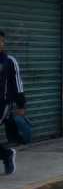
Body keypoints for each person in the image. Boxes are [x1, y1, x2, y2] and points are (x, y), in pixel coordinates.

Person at [0, 31, 26, 175]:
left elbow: (18, 84)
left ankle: (7, 155)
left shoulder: (9, 61)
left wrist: (21, 105)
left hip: (3, 104)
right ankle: (7, 154)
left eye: (1, 41)